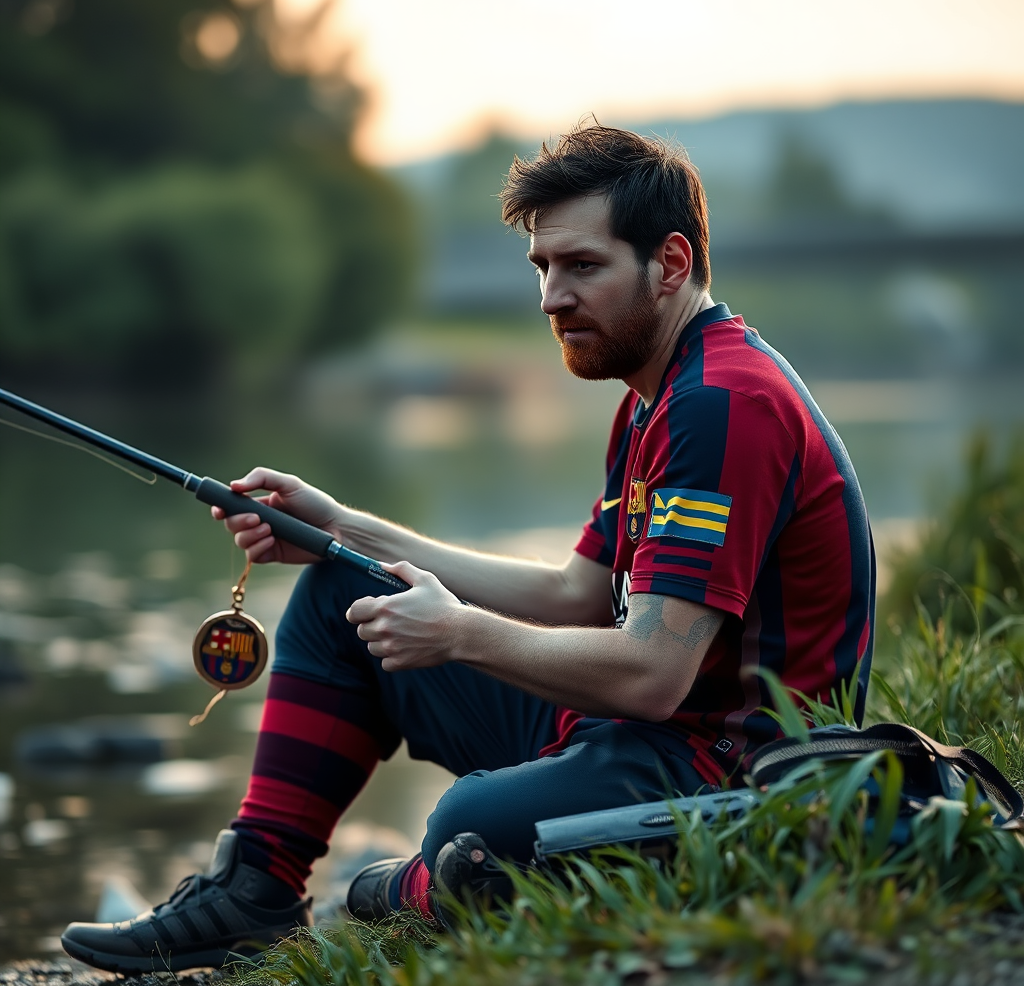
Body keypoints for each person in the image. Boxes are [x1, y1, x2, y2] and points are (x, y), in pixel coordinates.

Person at [62, 124, 875, 973]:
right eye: (542, 268)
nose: (551, 297)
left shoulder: (720, 405)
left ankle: (410, 887)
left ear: (670, 263)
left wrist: (457, 634)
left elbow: (653, 671)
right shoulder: (655, 397)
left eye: (582, 266)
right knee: (345, 591)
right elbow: (578, 596)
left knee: (467, 826)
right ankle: (256, 888)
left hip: (730, 777)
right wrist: (344, 529)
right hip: (638, 734)